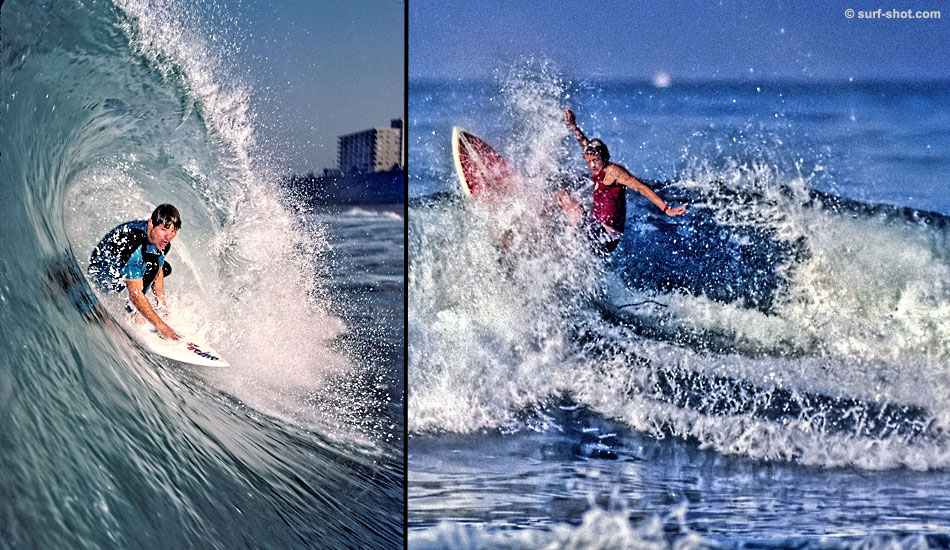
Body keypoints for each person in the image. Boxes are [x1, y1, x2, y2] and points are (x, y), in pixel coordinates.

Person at [563, 108, 686, 253]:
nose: (593, 165)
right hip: (599, 232)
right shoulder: (597, 167)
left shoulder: (613, 172)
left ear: (604, 157)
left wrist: (666, 209)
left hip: (607, 236)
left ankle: (564, 245)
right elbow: (585, 144)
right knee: (566, 201)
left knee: (566, 200)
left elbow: (641, 188)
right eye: (589, 161)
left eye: (596, 160)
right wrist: (573, 126)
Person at [88, 204, 181, 340]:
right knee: (150, 265)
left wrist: (162, 304)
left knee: (161, 267)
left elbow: (159, 271)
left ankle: (135, 310)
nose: (168, 237)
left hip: (127, 263)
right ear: (151, 224)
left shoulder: (161, 242)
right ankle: (130, 313)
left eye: (174, 231)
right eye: (163, 229)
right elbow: (135, 295)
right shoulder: (135, 242)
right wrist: (160, 326)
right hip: (103, 272)